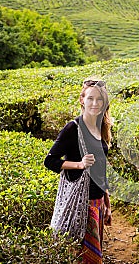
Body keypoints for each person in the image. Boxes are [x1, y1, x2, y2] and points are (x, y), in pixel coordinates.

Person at [44, 77, 112, 263]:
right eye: (90, 98)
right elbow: (50, 161)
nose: (95, 103)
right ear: (82, 100)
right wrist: (79, 164)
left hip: (96, 201)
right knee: (84, 257)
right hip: (81, 203)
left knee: (92, 256)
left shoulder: (101, 128)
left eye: (99, 99)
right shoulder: (73, 128)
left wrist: (107, 201)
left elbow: (101, 169)